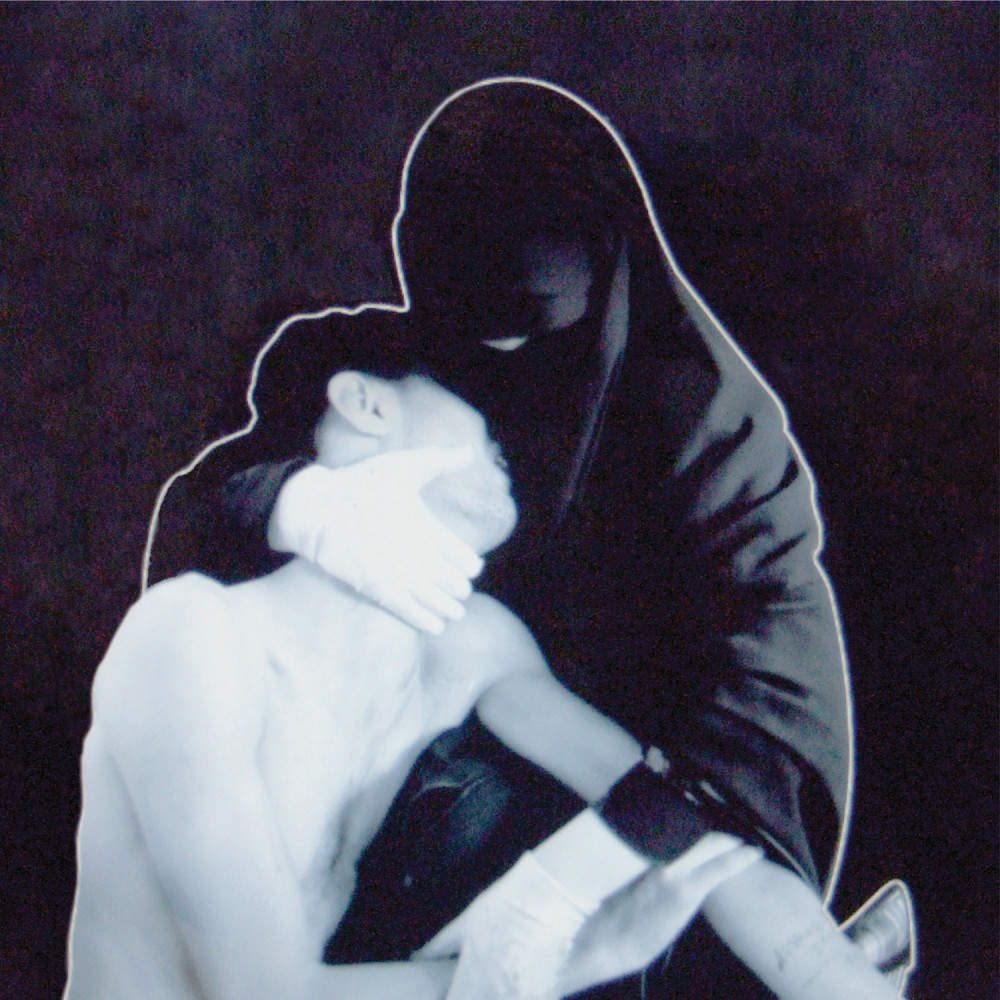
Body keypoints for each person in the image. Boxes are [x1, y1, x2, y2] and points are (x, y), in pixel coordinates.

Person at [145, 79, 856, 996]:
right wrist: (297, 505)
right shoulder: (376, 374)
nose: (503, 406)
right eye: (475, 345)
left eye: (539, 335)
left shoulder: (711, 437)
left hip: (648, 779)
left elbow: (736, 753)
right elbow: (207, 507)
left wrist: (579, 894)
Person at [70, 370, 902, 1000]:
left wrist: (828, 977)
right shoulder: (190, 636)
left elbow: (673, 817)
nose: (514, 444)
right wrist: (554, 961)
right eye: (482, 414)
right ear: (365, 403)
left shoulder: (469, 645)